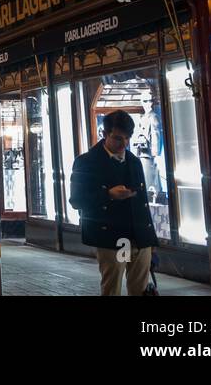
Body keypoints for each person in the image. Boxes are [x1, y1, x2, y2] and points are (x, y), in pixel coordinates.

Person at [70, 109, 160, 296]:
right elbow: (77, 200)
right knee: (113, 288)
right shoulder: (87, 162)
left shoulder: (134, 161)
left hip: (139, 236)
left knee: (140, 290)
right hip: (113, 238)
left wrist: (150, 242)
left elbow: (142, 203)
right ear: (105, 134)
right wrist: (108, 194)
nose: (124, 144)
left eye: (127, 138)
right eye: (118, 138)